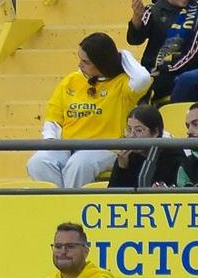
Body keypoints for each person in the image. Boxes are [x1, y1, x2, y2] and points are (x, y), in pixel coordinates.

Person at [28, 33, 150, 187]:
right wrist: (51, 141)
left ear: (102, 62)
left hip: (107, 147)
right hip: (67, 145)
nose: (80, 65)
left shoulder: (123, 85)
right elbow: (53, 119)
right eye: (80, 59)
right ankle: (57, 206)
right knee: (38, 162)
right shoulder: (71, 80)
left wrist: (123, 55)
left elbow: (143, 78)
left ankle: (72, 208)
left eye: (86, 62)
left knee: (79, 164)